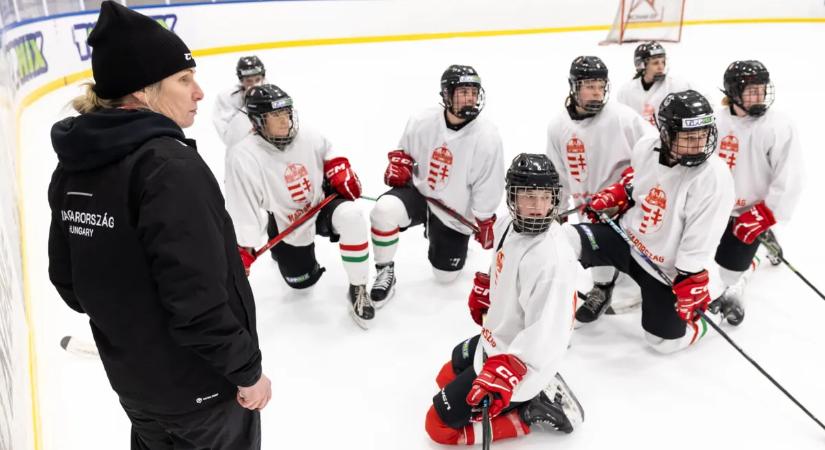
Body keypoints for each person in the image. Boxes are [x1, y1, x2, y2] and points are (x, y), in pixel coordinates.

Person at [47, 2, 269, 449]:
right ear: (142, 91)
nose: (199, 92)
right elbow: (198, 303)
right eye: (184, 79)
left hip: (137, 390)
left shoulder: (74, 167)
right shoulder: (169, 168)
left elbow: (69, 284)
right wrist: (247, 372)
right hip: (204, 395)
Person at [425, 154, 584, 445]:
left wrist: (511, 370)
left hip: (522, 363)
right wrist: (489, 288)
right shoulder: (507, 225)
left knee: (437, 427)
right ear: (512, 198)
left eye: (545, 197)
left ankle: (527, 412)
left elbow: (550, 334)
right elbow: (503, 264)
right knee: (445, 377)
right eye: (528, 197)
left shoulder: (553, 261)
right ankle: (529, 398)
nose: (538, 207)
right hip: (495, 340)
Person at [562, 90, 736, 354]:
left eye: (703, 135)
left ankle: (716, 311)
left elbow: (703, 234)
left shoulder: (713, 176)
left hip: (663, 269)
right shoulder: (646, 147)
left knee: (663, 343)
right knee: (563, 239)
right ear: (666, 134)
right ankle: (575, 304)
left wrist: (690, 273)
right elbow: (639, 183)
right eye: (688, 137)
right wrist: (621, 194)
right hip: (626, 239)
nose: (699, 144)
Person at [225, 84, 373, 328]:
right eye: (275, 115)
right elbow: (243, 205)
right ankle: (278, 239)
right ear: (257, 121)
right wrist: (244, 245)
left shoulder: (308, 135)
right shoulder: (243, 156)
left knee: (352, 216)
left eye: (286, 112)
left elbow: (330, 152)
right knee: (302, 283)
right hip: (287, 220)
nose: (285, 121)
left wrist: (338, 167)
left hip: (321, 204)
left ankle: (358, 287)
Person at [369, 64, 505, 305]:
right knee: (384, 210)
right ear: (446, 95)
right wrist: (400, 164)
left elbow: (488, 183)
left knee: (445, 277)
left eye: (473, 93)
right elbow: (404, 153)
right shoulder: (422, 121)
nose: (470, 99)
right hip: (420, 195)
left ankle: (444, 236)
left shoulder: (487, 137)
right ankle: (384, 269)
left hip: (453, 212)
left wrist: (484, 219)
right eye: (463, 92)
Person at [545, 55, 653, 324]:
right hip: (590, 207)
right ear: (574, 87)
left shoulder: (623, 118)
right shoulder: (558, 126)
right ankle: (602, 289)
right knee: (596, 249)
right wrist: (557, 210)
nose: (596, 92)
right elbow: (558, 175)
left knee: (639, 255)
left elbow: (655, 149)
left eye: (600, 86)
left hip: (627, 204)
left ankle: (650, 288)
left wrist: (630, 184)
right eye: (589, 86)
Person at [709, 60, 804, 324]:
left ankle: (736, 287)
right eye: (751, 91)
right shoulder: (715, 121)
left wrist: (766, 213)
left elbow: (791, 176)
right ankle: (763, 243)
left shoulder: (778, 126)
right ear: (733, 92)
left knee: (729, 271)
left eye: (762, 89)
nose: (759, 96)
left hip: (751, 211)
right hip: (716, 206)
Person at [616, 41, 693, 126]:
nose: (661, 67)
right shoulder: (626, 91)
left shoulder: (675, 86)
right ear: (641, 65)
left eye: (663, 62)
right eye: (655, 63)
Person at [213, 55, 266, 150]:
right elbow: (229, 139)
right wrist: (248, 105)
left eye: (258, 79)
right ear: (241, 80)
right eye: (249, 81)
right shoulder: (227, 98)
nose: (254, 85)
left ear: (263, 78)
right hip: (241, 152)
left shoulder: (274, 95)